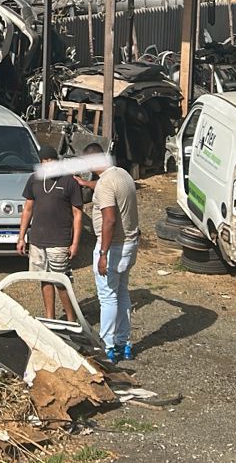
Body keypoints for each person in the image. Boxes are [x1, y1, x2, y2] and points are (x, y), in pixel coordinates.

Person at [78, 149, 141, 362]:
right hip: (130, 244)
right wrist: (87, 185)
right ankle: (124, 343)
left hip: (112, 247)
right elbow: (107, 189)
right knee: (122, 292)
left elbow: (110, 220)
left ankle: (107, 346)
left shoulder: (105, 184)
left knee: (107, 297)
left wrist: (103, 253)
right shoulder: (122, 175)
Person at [16, 145, 83, 320]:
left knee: (61, 282)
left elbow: (77, 214)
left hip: (59, 240)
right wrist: (21, 236)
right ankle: (49, 317)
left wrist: (75, 243)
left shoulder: (69, 181)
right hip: (38, 239)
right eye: (44, 161)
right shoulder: (34, 180)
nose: (47, 164)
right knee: (44, 279)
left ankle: (71, 319)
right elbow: (28, 209)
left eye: (50, 160)